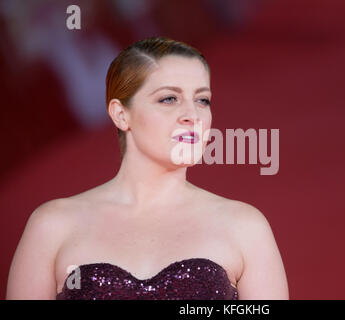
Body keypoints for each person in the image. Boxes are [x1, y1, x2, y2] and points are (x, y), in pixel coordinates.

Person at [6, 37, 289, 300]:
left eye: (202, 100)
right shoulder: (52, 226)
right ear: (121, 114)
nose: (192, 115)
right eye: (169, 98)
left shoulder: (245, 227)